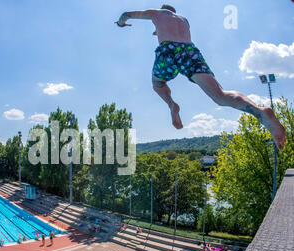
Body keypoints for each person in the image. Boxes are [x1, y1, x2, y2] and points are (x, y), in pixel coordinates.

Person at [116, 5, 287, 150]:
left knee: (157, 83)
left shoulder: (157, 13)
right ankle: (259, 111)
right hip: (191, 52)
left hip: (168, 50)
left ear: (163, 9)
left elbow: (127, 15)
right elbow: (171, 30)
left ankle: (171, 105)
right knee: (220, 95)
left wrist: (122, 23)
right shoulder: (184, 20)